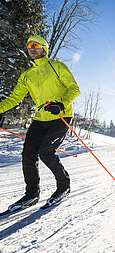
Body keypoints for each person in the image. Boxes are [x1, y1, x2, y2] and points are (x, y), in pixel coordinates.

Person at [0, 35, 81, 210]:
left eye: (36, 45)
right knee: (28, 153)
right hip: (40, 118)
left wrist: (61, 104)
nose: (32, 48)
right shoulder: (27, 75)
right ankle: (32, 194)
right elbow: (15, 98)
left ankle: (63, 185)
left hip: (60, 116)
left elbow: (75, 89)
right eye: (29, 45)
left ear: (44, 49)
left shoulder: (57, 67)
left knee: (46, 152)